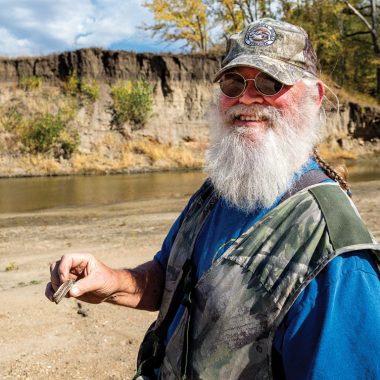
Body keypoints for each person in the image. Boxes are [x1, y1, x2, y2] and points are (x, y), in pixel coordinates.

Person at [46, 18, 380, 379]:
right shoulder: (221, 188)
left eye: (271, 82)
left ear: (314, 97)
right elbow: (169, 277)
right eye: (233, 82)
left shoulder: (337, 257)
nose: (247, 97)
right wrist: (112, 281)